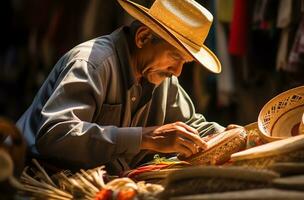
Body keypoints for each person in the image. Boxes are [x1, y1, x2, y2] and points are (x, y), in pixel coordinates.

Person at [16, 0, 240, 174]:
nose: (178, 71)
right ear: (143, 38)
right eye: (175, 57)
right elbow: (56, 135)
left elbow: (191, 126)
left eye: (185, 62)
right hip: (34, 178)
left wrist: (230, 135)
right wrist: (144, 138)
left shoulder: (162, 77)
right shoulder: (92, 63)